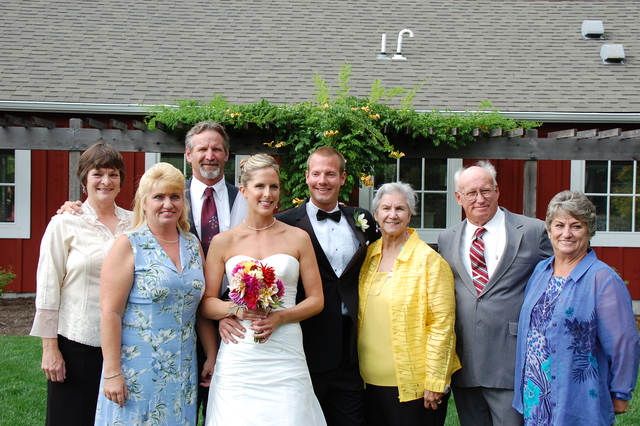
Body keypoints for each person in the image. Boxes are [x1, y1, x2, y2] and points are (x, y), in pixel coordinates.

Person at [200, 153, 326, 425]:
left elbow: (316, 299)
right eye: (260, 186)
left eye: (274, 187)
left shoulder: (298, 238)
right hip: (239, 353)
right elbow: (207, 302)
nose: (268, 194)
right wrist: (235, 309)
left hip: (284, 350)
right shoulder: (223, 242)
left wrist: (280, 317)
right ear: (244, 190)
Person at [95, 162, 216, 425]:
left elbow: (199, 308)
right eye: (159, 197)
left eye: (175, 196)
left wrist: (211, 354)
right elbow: (110, 312)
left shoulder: (192, 244)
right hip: (136, 368)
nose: (168, 204)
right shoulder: (129, 244)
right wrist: (112, 372)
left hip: (183, 367)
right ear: (144, 202)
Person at [437, 160, 553, 426]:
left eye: (486, 190)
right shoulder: (447, 239)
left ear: (497, 190)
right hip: (465, 361)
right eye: (471, 193)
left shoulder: (532, 232)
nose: (480, 199)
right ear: (458, 198)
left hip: (511, 358)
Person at [513, 190, 639, 425]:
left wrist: (621, 393)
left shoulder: (603, 279)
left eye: (576, 226)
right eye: (559, 225)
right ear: (549, 230)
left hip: (578, 398)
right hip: (535, 394)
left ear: (589, 231)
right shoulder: (540, 271)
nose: (566, 234)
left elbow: (624, 342)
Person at [30, 142, 131, 426]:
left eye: (113, 174)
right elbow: (48, 288)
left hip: (126, 343)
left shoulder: (136, 224)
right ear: (84, 180)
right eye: (98, 174)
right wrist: (50, 349)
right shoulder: (64, 223)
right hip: (77, 341)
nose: (106, 181)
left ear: (121, 180)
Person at [358, 182, 460, 426]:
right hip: (367, 383)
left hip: (413, 387)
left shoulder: (429, 261)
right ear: (376, 214)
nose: (392, 215)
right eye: (386, 208)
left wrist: (435, 380)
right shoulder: (368, 255)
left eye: (400, 209)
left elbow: (442, 325)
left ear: (410, 214)